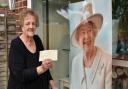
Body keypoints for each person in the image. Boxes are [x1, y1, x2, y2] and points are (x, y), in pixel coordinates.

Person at [7, 9, 58, 89]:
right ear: (22, 27)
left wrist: (52, 83)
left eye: (33, 23)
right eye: (27, 23)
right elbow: (20, 75)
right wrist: (42, 68)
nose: (31, 26)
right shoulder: (16, 45)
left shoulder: (37, 40)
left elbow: (44, 64)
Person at [70, 2, 112, 89]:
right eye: (82, 32)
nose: (87, 36)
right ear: (78, 38)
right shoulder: (75, 62)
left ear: (95, 33)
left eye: (89, 30)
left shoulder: (107, 61)